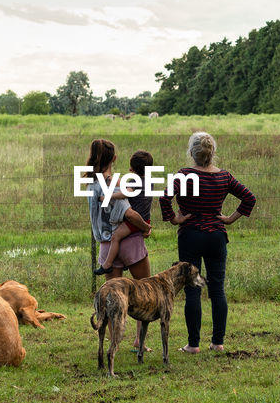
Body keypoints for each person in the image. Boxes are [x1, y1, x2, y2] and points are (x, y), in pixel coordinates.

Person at [159, 131, 256, 353]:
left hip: (191, 235)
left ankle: (193, 344)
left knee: (193, 290)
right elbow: (249, 197)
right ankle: (217, 342)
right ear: (212, 153)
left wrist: (175, 219)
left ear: (192, 153)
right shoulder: (224, 176)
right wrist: (230, 219)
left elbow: (164, 197)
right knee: (217, 290)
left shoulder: (185, 175)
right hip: (216, 236)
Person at [86, 139, 151, 280]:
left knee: (113, 297)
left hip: (106, 246)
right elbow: (129, 214)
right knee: (147, 290)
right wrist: (145, 227)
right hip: (130, 242)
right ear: (114, 158)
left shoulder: (90, 185)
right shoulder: (115, 184)